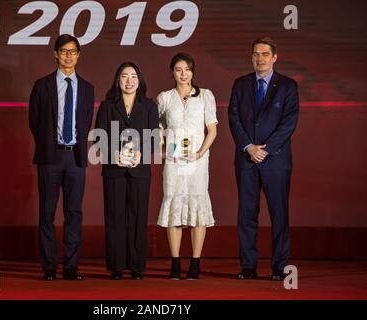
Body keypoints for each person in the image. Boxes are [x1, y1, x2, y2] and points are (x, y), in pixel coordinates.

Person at [228, 37, 299, 281]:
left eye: (265, 54)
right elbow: (233, 118)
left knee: (279, 215)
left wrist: (265, 150)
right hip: (247, 160)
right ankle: (248, 266)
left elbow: (289, 122)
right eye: (256, 54)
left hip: (276, 161)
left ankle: (279, 267)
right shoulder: (241, 84)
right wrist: (249, 147)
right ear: (251, 57)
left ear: (274, 57)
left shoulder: (288, 86)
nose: (260, 58)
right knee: (246, 215)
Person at [29, 34, 94, 281]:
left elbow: (85, 122)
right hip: (50, 156)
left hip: (75, 157)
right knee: (47, 213)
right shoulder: (42, 85)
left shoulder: (87, 88)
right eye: (64, 51)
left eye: (73, 51)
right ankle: (48, 268)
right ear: (55, 54)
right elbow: (34, 122)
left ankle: (71, 267)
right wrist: (49, 145)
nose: (69, 55)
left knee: (74, 213)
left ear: (79, 55)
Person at [94, 62, 159, 280]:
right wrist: (114, 156)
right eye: (124, 76)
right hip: (114, 170)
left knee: (138, 216)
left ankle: (137, 266)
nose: (129, 81)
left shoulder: (149, 106)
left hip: (140, 171)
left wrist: (142, 154)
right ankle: (116, 266)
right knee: (115, 216)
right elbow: (98, 137)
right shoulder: (107, 105)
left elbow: (154, 137)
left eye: (133, 76)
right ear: (117, 80)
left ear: (139, 81)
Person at [157, 53, 218, 280]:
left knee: (197, 207)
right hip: (173, 163)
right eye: (179, 69)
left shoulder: (205, 96)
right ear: (172, 72)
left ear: (193, 72)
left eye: (187, 69)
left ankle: (195, 263)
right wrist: (164, 151)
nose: (183, 74)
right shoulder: (164, 98)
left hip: (197, 163)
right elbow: (158, 128)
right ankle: (175, 263)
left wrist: (200, 153)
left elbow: (212, 130)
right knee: (173, 205)